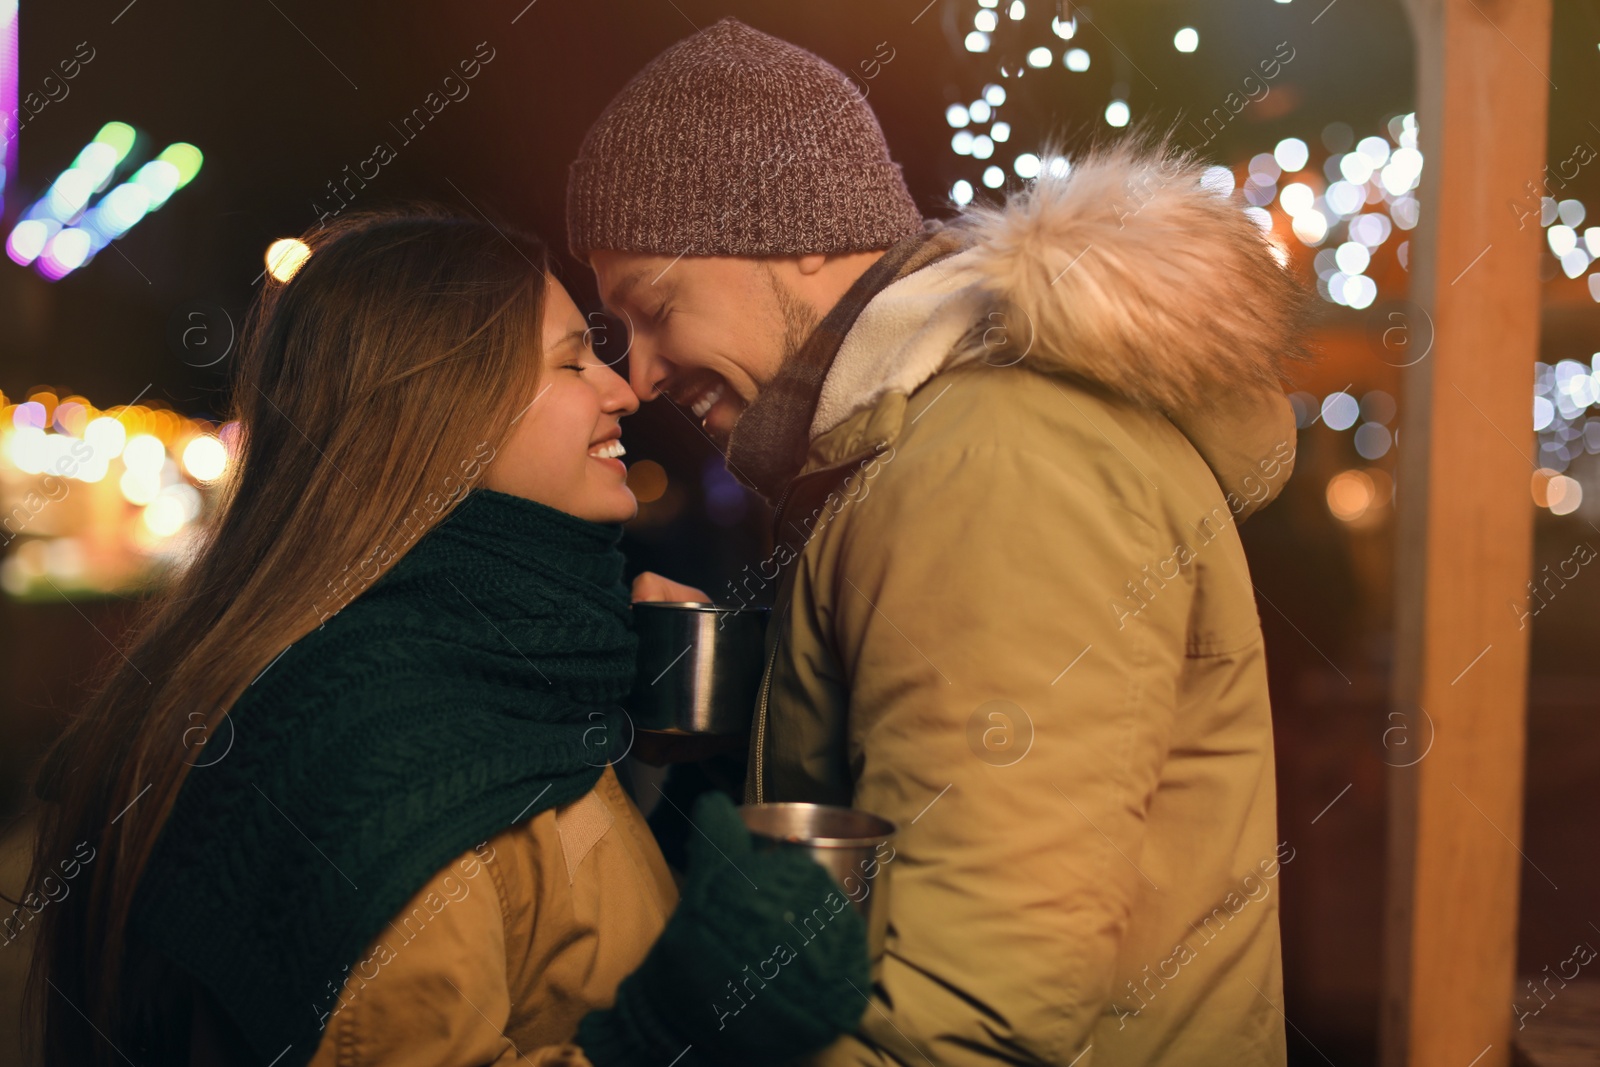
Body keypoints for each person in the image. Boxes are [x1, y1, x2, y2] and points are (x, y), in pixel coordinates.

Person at [567, 18, 1309, 1066]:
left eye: (653, 308)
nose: (638, 377)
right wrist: (753, 697)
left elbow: (968, 1015)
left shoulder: (989, 467)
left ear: (796, 231)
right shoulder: (924, 453)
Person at [22, 207, 869, 1067]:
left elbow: (559, 944)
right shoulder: (383, 739)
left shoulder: (502, 674)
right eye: (572, 360)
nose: (621, 390)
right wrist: (676, 1031)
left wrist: (688, 769)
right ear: (444, 411)